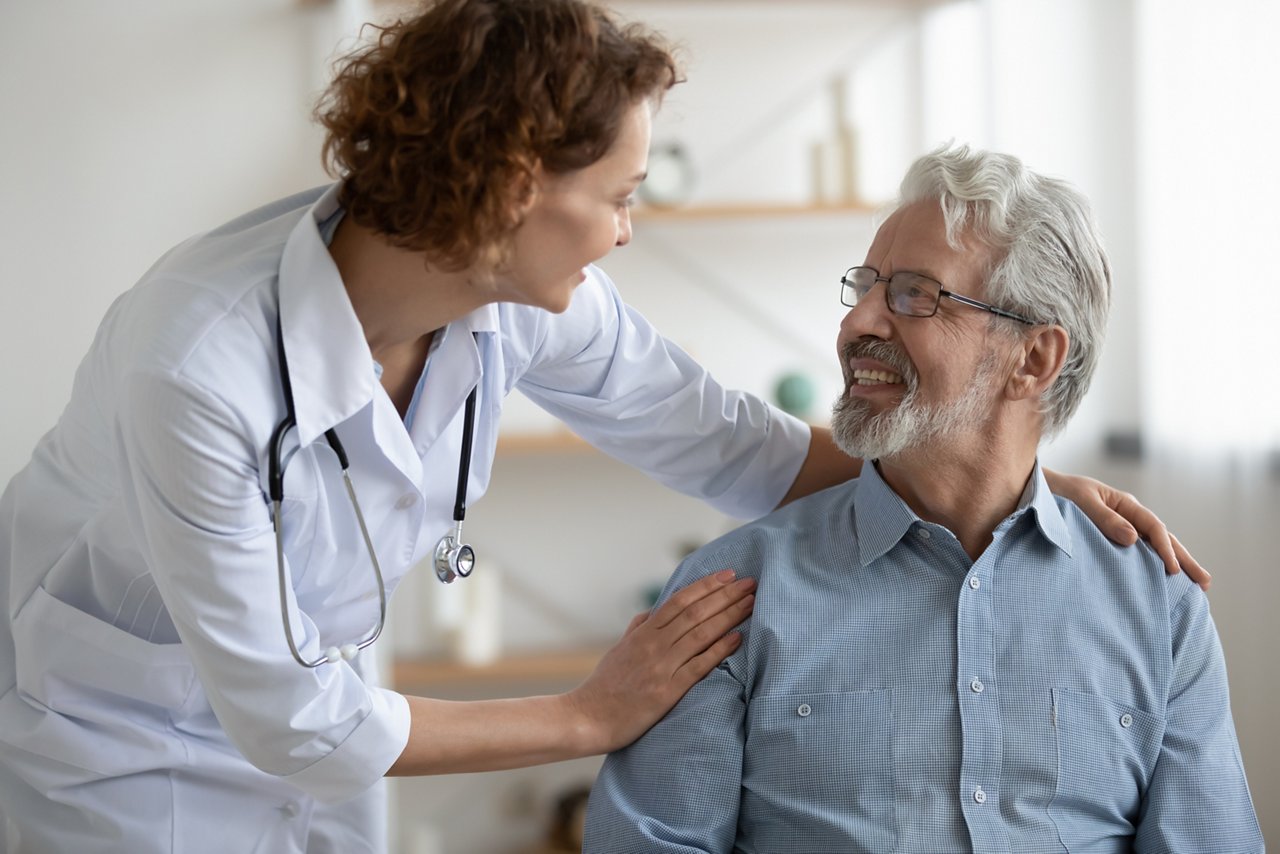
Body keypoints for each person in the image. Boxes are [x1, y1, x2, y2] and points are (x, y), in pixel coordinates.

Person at [0, 1, 1201, 850]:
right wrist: (590, 713)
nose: (627, 229)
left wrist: (1018, 491)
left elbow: (742, 446)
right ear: (513, 187)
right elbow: (290, 719)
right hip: (123, 739)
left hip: (324, 712)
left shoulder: (517, 302)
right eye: (618, 196)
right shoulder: (196, 363)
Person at [584, 145, 1261, 853]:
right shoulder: (733, 597)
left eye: (914, 294)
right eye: (866, 288)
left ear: (1033, 359)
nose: (857, 324)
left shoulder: (1157, 603)